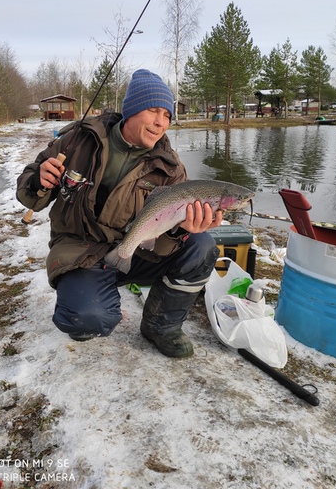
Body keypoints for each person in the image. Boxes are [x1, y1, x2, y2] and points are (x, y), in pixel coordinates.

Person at [16, 69, 222, 358]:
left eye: (167, 115)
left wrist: (179, 230)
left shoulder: (171, 169)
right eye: (153, 110)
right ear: (132, 109)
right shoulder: (79, 139)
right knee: (87, 321)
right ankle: (92, 295)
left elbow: (163, 244)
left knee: (202, 245)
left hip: (137, 250)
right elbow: (29, 196)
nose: (160, 122)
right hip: (81, 249)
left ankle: (160, 327)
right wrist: (39, 180)